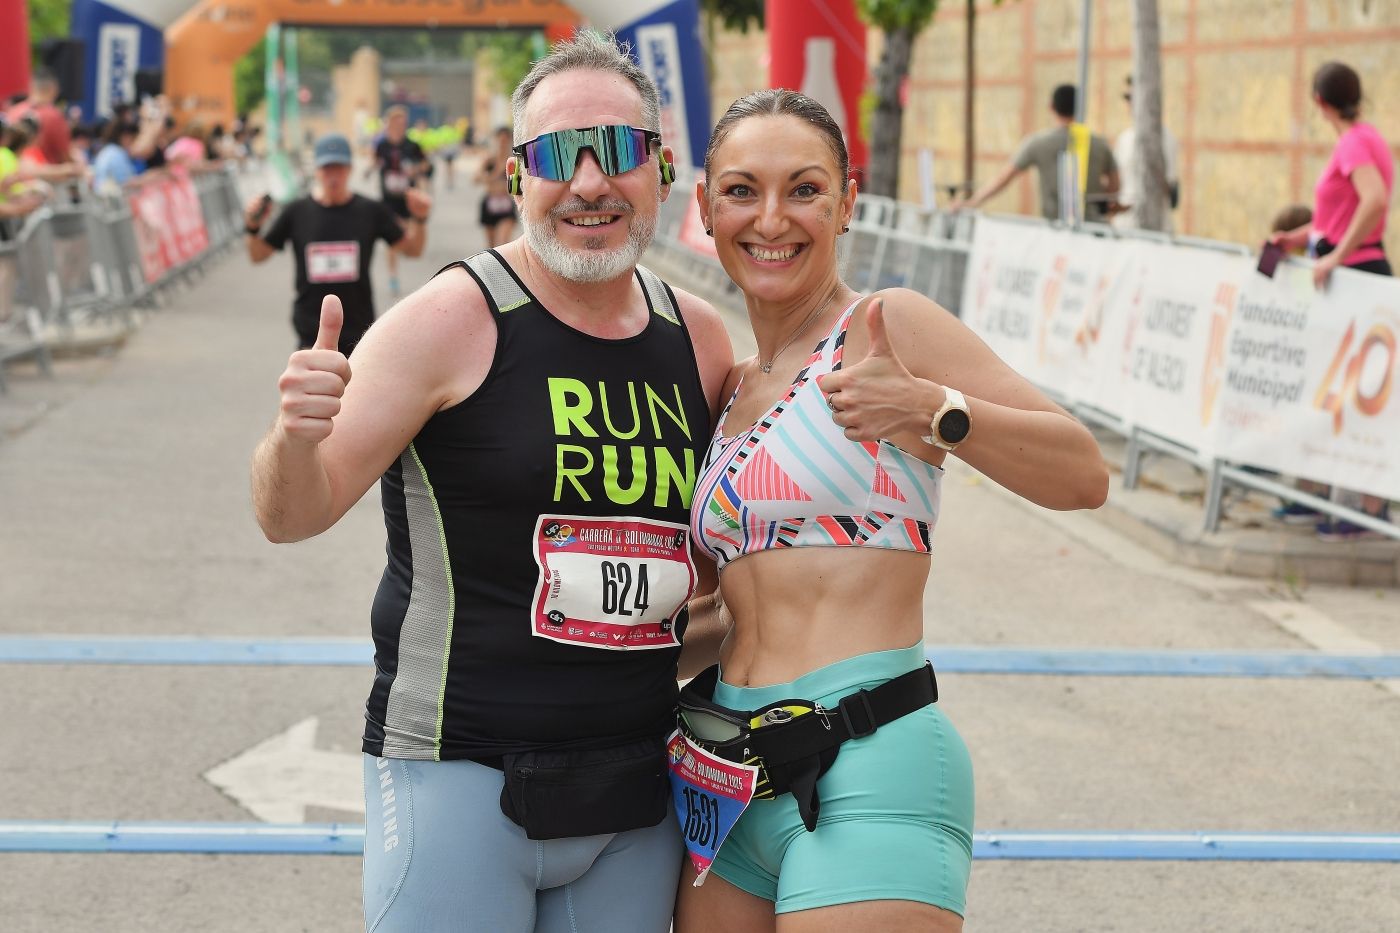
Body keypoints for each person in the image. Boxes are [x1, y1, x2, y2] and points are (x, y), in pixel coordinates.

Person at [249, 33, 733, 931]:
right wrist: (293, 435)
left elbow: (712, 563)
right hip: (459, 773)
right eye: (557, 155)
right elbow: (291, 513)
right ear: (517, 178)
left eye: (619, 150)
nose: (590, 181)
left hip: (633, 788)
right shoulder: (445, 322)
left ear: (661, 171)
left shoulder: (698, 341)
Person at [674, 89, 1107, 932]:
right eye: (740, 191)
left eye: (803, 189)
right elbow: (729, 602)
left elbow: (1084, 471)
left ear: (847, 204)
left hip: (869, 760)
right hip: (728, 775)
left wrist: (934, 411)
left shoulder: (886, 327)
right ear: (704, 208)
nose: (772, 218)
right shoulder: (731, 388)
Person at [1268, 61, 1393, 540]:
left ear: (1319, 101)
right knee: (1336, 388)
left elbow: (1375, 200)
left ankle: (1365, 509)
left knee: (1357, 393)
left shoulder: (1355, 142)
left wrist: (1335, 257)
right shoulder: (1366, 138)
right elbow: (1338, 216)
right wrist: (1299, 238)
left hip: (1358, 275)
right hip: (1353, 271)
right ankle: (1323, 497)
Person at [244, 132, 429, 357]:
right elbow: (258, 255)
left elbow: (412, 250)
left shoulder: (370, 210)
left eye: (339, 168)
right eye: (327, 168)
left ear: (350, 169)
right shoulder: (297, 211)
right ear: (317, 171)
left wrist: (419, 220)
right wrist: (253, 228)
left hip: (359, 336)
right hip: (310, 336)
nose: (333, 176)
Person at [953, 84, 1119, 223]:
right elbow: (1114, 186)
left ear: (1051, 107)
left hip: (1058, 229)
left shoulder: (1038, 143)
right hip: (1096, 229)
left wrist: (972, 203)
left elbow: (1003, 178)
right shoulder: (1099, 143)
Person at [367, 105, 427, 296]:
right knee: (392, 238)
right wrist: (370, 169)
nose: (400, 126)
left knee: (406, 234)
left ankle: (406, 249)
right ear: (389, 123)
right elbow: (374, 160)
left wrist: (415, 170)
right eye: (397, 122)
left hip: (406, 198)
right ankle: (393, 275)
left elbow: (425, 163)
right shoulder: (381, 145)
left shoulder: (412, 145)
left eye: (403, 122)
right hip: (388, 198)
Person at [1111, 75, 1180, 232]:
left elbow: (1167, 186)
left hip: (1154, 228)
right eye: (1126, 97)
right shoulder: (1125, 138)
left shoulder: (1164, 137)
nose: (1128, 103)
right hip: (1126, 226)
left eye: (1132, 97)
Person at [475, 125, 518, 247]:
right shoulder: (489, 160)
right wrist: (495, 174)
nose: (502, 143)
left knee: (503, 242)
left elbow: (519, 184)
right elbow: (476, 178)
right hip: (489, 203)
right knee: (491, 247)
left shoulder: (513, 161)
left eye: (505, 140)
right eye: (500, 140)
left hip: (506, 205)